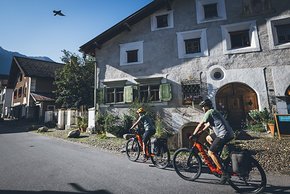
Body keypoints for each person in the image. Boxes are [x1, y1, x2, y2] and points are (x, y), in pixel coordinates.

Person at [191, 99, 234, 183]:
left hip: (223, 134)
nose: (202, 108)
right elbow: (208, 125)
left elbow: (201, 124)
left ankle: (224, 174)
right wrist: (201, 132)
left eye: (203, 107)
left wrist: (194, 134)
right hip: (228, 133)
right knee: (208, 138)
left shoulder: (209, 112)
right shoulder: (214, 112)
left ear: (206, 106)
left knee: (210, 153)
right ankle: (218, 157)